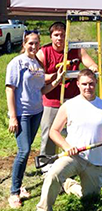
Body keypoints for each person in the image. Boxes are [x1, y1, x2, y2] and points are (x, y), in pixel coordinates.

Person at [36, 69, 102, 211]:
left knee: (90, 198)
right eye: (84, 84)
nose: (88, 87)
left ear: (96, 83)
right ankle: (43, 208)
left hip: (94, 160)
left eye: (91, 84)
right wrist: (67, 147)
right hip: (73, 156)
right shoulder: (69, 105)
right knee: (52, 175)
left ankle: (70, 185)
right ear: (78, 84)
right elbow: (54, 131)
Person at [5, 30, 64, 209]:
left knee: (27, 149)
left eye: (37, 43)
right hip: (22, 114)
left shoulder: (37, 64)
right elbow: (10, 89)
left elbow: (41, 91)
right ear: (24, 44)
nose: (33, 46)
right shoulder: (17, 62)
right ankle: (14, 192)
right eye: (30, 43)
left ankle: (20, 185)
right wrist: (13, 116)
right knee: (24, 151)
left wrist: (57, 81)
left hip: (37, 112)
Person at [36, 22, 98, 168]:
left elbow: (91, 64)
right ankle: (47, 165)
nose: (60, 38)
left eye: (63, 35)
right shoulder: (44, 52)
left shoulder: (76, 49)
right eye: (56, 35)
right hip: (52, 99)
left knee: (76, 132)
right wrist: (55, 77)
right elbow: (37, 76)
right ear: (51, 36)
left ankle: (76, 163)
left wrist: (93, 68)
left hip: (73, 100)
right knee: (49, 133)